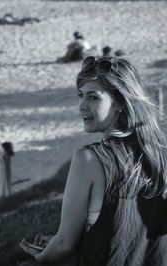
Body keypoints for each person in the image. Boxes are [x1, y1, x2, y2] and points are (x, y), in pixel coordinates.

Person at [20, 56, 167, 265]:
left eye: (93, 97)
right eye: (81, 95)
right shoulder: (161, 153)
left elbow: (64, 244)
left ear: (120, 103)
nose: (81, 105)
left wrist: (40, 257)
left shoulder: (89, 160)